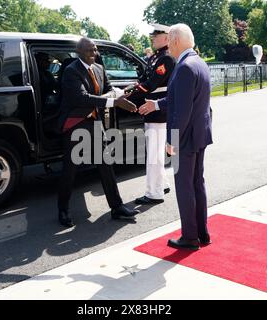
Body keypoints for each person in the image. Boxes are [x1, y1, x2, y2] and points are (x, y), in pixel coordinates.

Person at [139, 24, 213, 250]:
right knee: (197, 183)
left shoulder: (183, 68)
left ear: (177, 40)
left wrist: (172, 140)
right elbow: (182, 99)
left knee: (184, 187)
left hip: (185, 138)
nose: (168, 44)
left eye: (170, 40)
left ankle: (190, 237)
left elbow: (182, 111)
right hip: (200, 134)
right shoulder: (198, 63)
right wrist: (157, 104)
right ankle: (202, 232)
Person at [57, 37, 139, 228]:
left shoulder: (99, 69)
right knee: (70, 169)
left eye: (95, 50)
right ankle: (63, 209)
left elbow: (109, 89)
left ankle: (117, 207)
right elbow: (81, 98)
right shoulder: (71, 71)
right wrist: (112, 101)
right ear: (79, 52)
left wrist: (115, 96)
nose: (94, 54)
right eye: (90, 51)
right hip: (75, 123)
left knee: (105, 164)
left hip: (95, 122)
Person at [125, 23, 176, 205]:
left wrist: (126, 96)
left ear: (166, 37)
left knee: (154, 154)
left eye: (156, 34)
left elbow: (151, 84)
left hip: (158, 112)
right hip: (154, 111)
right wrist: (130, 89)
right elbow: (145, 80)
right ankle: (162, 183)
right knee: (156, 151)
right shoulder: (157, 57)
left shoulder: (166, 58)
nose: (152, 37)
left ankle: (154, 193)